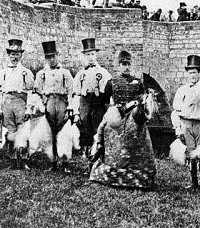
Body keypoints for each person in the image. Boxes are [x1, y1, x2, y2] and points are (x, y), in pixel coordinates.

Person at [90, 51, 157, 189]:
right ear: (119, 65)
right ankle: (97, 153)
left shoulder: (138, 82)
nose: (126, 67)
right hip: (117, 115)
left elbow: (142, 99)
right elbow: (103, 101)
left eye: (128, 64)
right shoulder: (112, 82)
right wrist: (112, 109)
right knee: (102, 130)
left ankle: (143, 176)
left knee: (142, 135)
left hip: (133, 114)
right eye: (123, 64)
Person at [171, 55, 200, 194]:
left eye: (195, 72)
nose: (192, 75)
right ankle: (193, 182)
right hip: (186, 124)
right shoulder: (182, 90)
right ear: (187, 74)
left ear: (199, 73)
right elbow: (175, 112)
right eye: (190, 72)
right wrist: (178, 130)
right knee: (190, 154)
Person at [70, 38, 112, 170]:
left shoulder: (104, 73)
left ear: (96, 55)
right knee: (86, 132)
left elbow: (110, 93)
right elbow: (76, 94)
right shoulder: (80, 74)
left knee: (98, 132)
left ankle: (99, 163)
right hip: (85, 104)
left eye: (93, 54)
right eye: (88, 55)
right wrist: (76, 112)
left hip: (98, 104)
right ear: (84, 56)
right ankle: (89, 164)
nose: (91, 57)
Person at [0, 39, 34, 169]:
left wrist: (29, 109)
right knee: (10, 130)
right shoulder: (3, 72)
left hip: (20, 101)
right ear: (8, 55)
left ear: (21, 55)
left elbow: (31, 92)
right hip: (7, 102)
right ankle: (12, 160)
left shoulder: (26, 72)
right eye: (12, 54)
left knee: (23, 130)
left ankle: (24, 159)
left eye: (17, 54)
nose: (14, 57)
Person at [33, 41, 73, 171]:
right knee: (50, 134)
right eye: (49, 57)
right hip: (49, 103)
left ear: (57, 55)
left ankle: (65, 163)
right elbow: (36, 93)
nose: (52, 59)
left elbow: (72, 91)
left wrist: (70, 107)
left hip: (62, 103)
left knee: (64, 133)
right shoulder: (41, 74)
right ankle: (53, 162)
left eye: (53, 56)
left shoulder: (65, 73)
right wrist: (42, 106)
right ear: (46, 58)